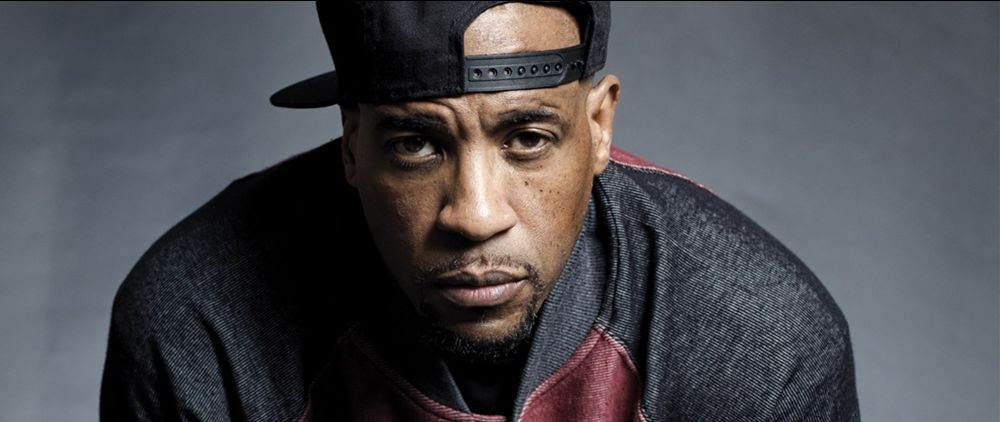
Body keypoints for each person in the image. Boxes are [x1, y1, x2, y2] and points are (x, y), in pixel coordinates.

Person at [100, 2, 859, 421]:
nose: (474, 214)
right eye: (416, 144)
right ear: (352, 143)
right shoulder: (200, 323)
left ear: (598, 127)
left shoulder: (758, 339)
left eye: (527, 138)